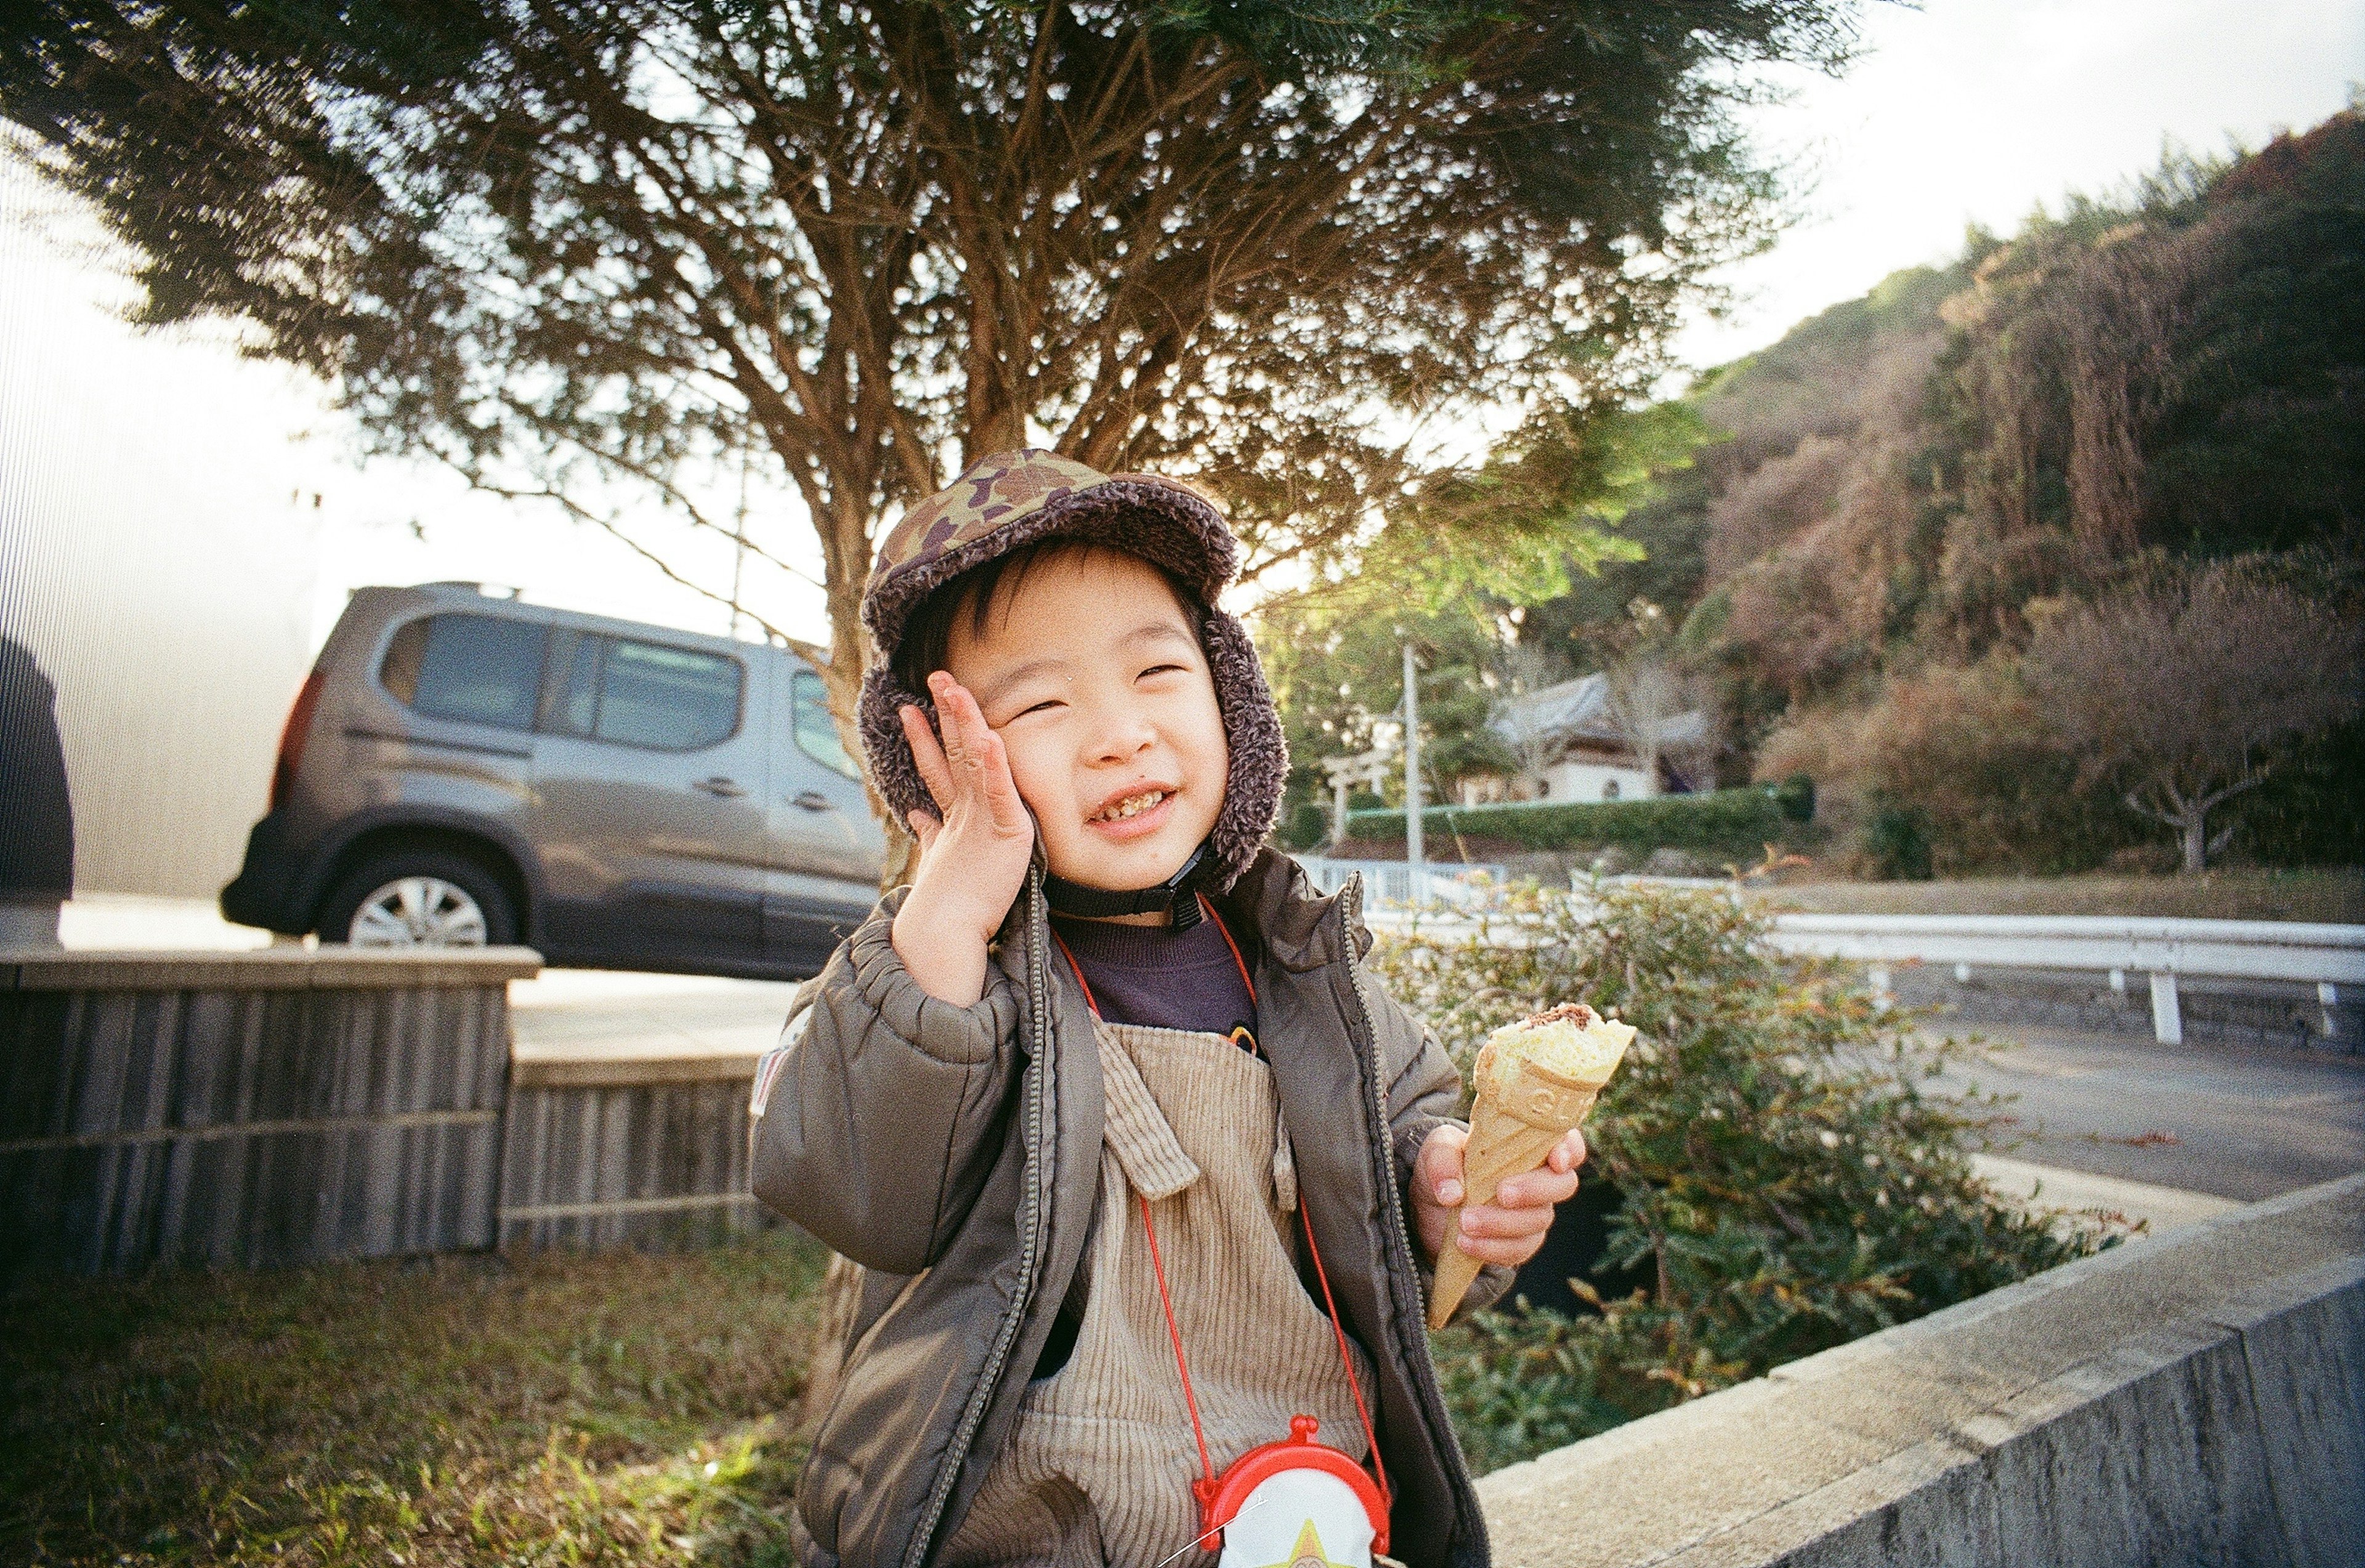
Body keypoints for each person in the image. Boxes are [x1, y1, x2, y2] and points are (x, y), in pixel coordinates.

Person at [751, 450, 1586, 1568]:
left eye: (1157, 675)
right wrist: (951, 901)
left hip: (1314, 1524)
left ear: (1228, 691)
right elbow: (853, 1181)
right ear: (938, 758)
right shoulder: (940, 974)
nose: (1121, 732)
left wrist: (1444, 1191)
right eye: (1043, 703)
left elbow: (1404, 1146)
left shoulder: (1302, 967)